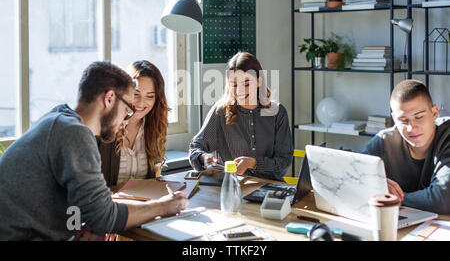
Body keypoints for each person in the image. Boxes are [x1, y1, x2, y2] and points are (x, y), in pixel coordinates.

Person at [0, 61, 188, 240]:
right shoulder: (74, 133)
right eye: (127, 109)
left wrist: (88, 221)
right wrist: (164, 206)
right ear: (109, 98)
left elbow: (88, 206)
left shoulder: (60, 118)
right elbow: (104, 218)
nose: (126, 119)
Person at [189, 51, 293, 181]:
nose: (240, 91)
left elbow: (284, 161)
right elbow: (195, 148)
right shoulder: (221, 112)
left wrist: (253, 163)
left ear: (259, 81)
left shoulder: (277, 112)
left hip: (271, 188)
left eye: (247, 84)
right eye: (234, 85)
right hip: (233, 189)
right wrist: (203, 158)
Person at [362, 79, 450, 214]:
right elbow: (352, 177)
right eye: (403, 120)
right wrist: (375, 183)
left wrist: (391, 198)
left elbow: (443, 199)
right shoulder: (383, 141)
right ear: (394, 118)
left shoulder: (447, 137)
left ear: (434, 113)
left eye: (419, 117)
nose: (411, 128)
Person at [98, 60, 169, 189]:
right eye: (136, 94)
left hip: (143, 206)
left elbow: (156, 177)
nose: (141, 103)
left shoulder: (155, 127)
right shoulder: (104, 128)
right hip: (109, 205)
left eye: (150, 96)